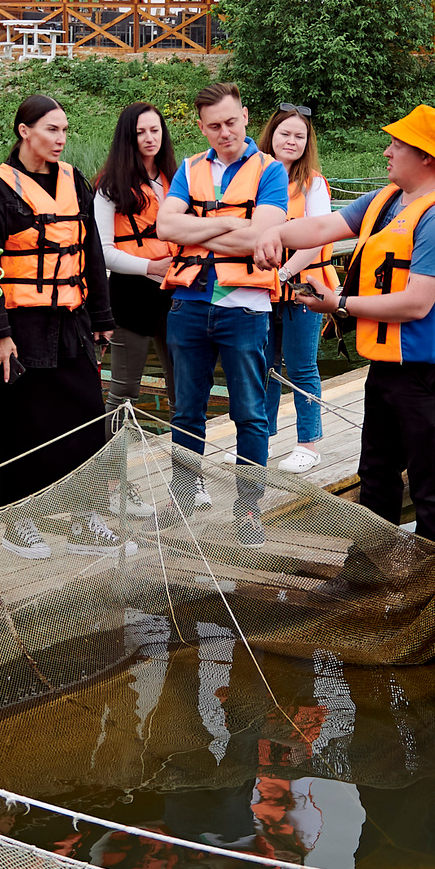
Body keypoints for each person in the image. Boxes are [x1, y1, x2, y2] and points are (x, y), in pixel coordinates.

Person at [253, 105, 435, 550]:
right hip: (388, 366)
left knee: (429, 480)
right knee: (376, 471)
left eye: (397, 146)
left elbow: (416, 304)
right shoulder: (387, 199)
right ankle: (369, 570)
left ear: (425, 157)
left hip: (429, 373)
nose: (386, 151)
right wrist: (274, 235)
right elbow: (325, 226)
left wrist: (337, 303)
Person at [0, 95, 115, 542]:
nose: (61, 139)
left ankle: (84, 517)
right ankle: (19, 517)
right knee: (22, 420)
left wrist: (102, 315)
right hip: (20, 326)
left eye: (65, 130)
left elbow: (91, 253)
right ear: (24, 131)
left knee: (88, 415)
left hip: (71, 318)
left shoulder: (76, 181)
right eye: (52, 129)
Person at [155, 83, 289, 542]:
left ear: (246, 117)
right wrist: (234, 223)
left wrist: (200, 231)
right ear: (202, 128)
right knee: (185, 410)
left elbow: (262, 238)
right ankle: (183, 495)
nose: (224, 132)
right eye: (214, 126)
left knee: (250, 414)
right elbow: (165, 225)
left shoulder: (271, 172)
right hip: (189, 304)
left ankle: (248, 511)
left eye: (231, 122)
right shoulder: (189, 169)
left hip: (244, 308)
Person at [257, 103, 333, 475]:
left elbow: (317, 239)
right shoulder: (255, 176)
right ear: (271, 134)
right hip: (261, 287)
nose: (291, 141)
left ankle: (309, 444)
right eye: (285, 133)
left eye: (299, 136)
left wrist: (284, 273)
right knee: (264, 365)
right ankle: (261, 440)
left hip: (302, 282)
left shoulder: (312, 183)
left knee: (302, 365)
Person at [94, 102, 177, 430]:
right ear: (127, 137)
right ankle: (111, 476)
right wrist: (149, 267)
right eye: (140, 132)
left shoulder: (176, 179)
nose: (148, 138)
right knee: (124, 390)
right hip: (130, 293)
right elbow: (102, 252)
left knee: (181, 388)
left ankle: (183, 472)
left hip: (175, 290)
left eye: (154, 130)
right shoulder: (109, 186)